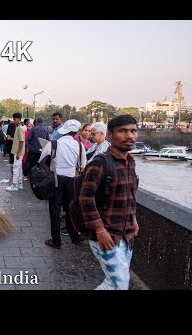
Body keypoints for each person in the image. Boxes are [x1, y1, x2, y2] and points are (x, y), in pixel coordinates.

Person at [79, 114, 139, 290]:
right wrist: (99, 229)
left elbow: (129, 194)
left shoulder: (130, 162)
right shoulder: (101, 163)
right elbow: (85, 198)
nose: (129, 135)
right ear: (110, 135)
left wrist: (133, 219)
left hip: (126, 234)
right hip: (106, 234)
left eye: (133, 131)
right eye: (123, 131)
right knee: (118, 284)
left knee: (116, 283)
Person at [41, 119, 86, 249]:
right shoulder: (79, 145)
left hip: (55, 179)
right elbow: (82, 165)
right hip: (72, 180)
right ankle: (75, 236)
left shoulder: (53, 143)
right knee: (70, 209)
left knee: (55, 210)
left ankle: (56, 241)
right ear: (75, 132)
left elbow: (42, 160)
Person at [6, 113, 25, 191]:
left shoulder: (19, 128)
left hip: (18, 152)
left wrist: (18, 153)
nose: (14, 121)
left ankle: (14, 185)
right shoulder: (18, 128)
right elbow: (18, 140)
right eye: (13, 119)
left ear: (19, 119)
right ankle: (20, 183)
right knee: (19, 168)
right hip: (18, 151)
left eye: (15, 119)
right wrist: (11, 138)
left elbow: (21, 141)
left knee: (16, 168)